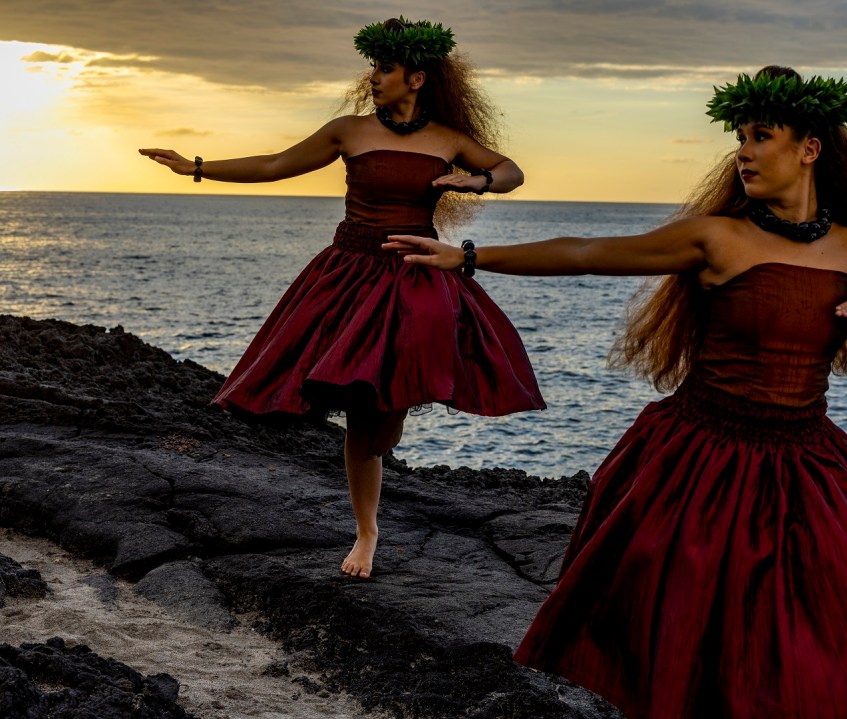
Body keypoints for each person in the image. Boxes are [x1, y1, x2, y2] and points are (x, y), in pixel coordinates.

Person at [385, 66, 847, 718]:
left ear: (810, 148)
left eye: (760, 137)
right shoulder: (717, 237)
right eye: (739, 138)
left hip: (804, 460)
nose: (743, 152)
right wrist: (469, 257)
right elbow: (588, 252)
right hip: (700, 458)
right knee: (683, 633)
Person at [139, 17, 545, 580]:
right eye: (373, 67)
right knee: (362, 415)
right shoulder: (348, 131)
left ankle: (385, 436)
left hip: (416, 275)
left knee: (385, 421)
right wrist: (199, 167)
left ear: (416, 78)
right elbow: (275, 165)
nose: (373, 77)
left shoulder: (447, 139)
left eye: (385, 69)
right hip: (349, 274)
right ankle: (367, 531)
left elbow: (510, 171)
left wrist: (477, 181)